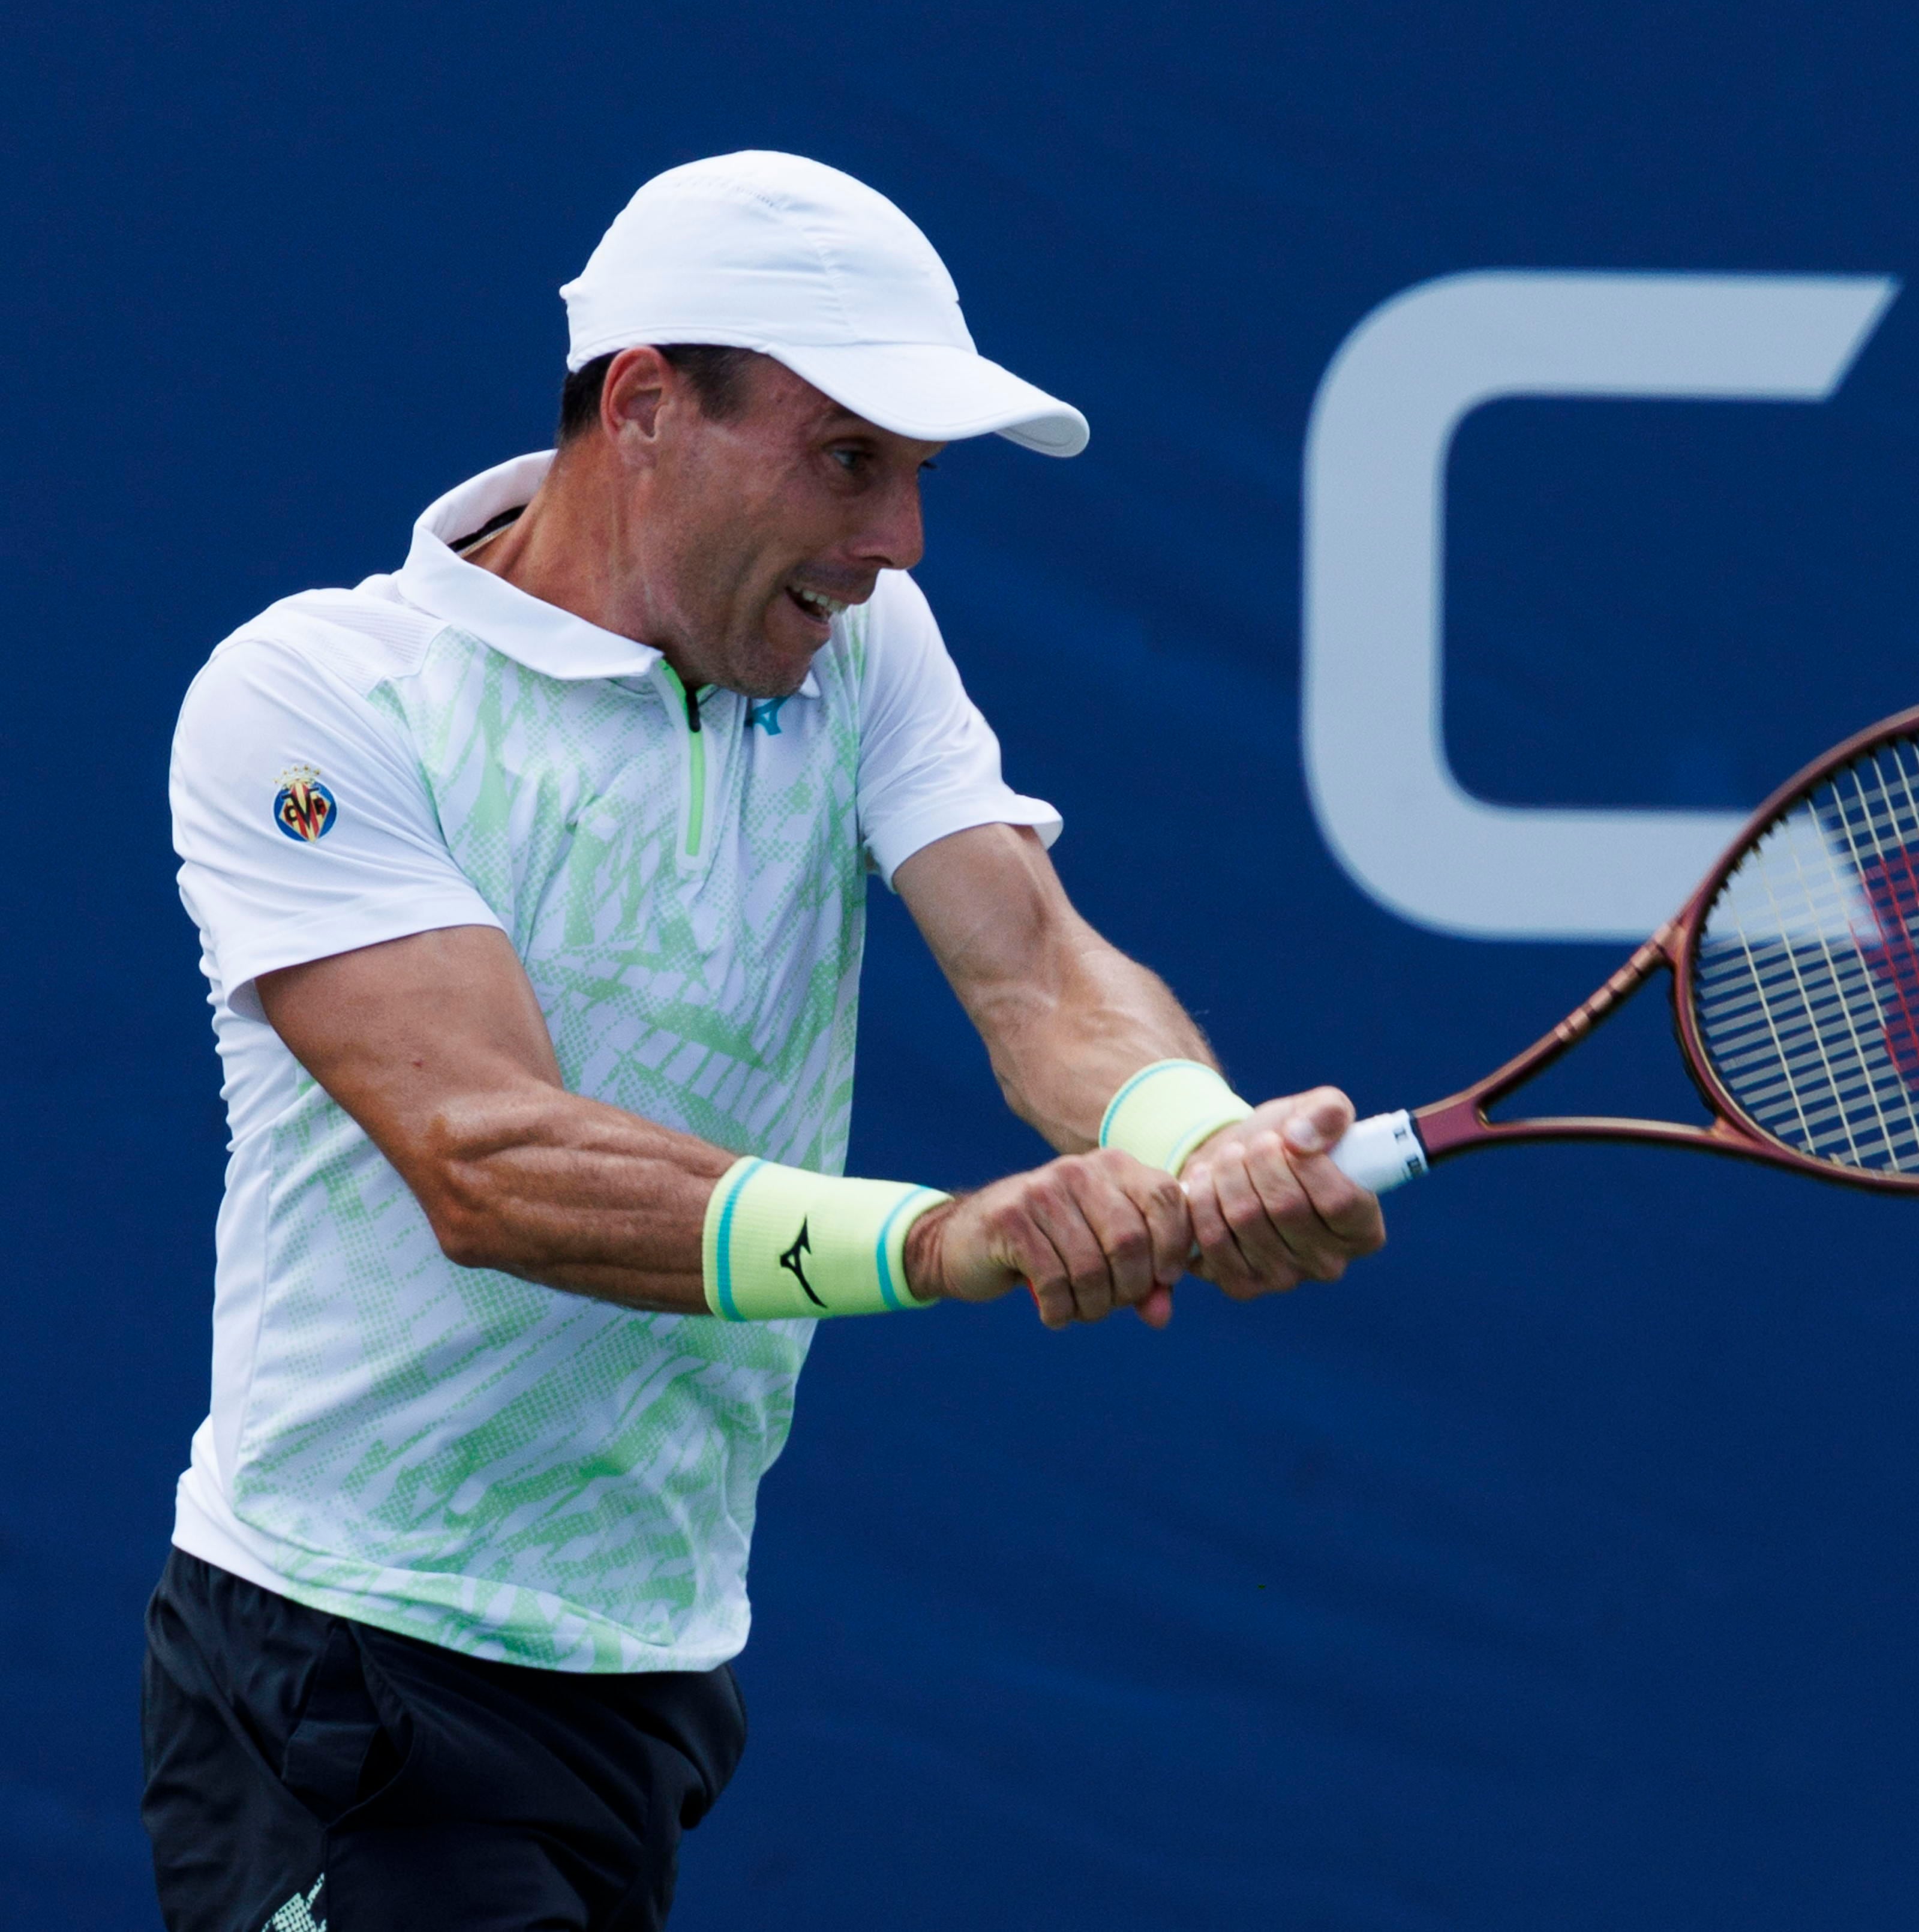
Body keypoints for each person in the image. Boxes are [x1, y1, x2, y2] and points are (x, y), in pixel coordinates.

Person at [140, 151, 1385, 1932]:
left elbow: (1032, 965)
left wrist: (1202, 1140)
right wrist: (948, 1240)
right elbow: (491, 1162)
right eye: (848, 460)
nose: (897, 543)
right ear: (644, 407)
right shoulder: (326, 695)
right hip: (349, 1667)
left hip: (649, 1664)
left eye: (918, 479)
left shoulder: (860, 654)